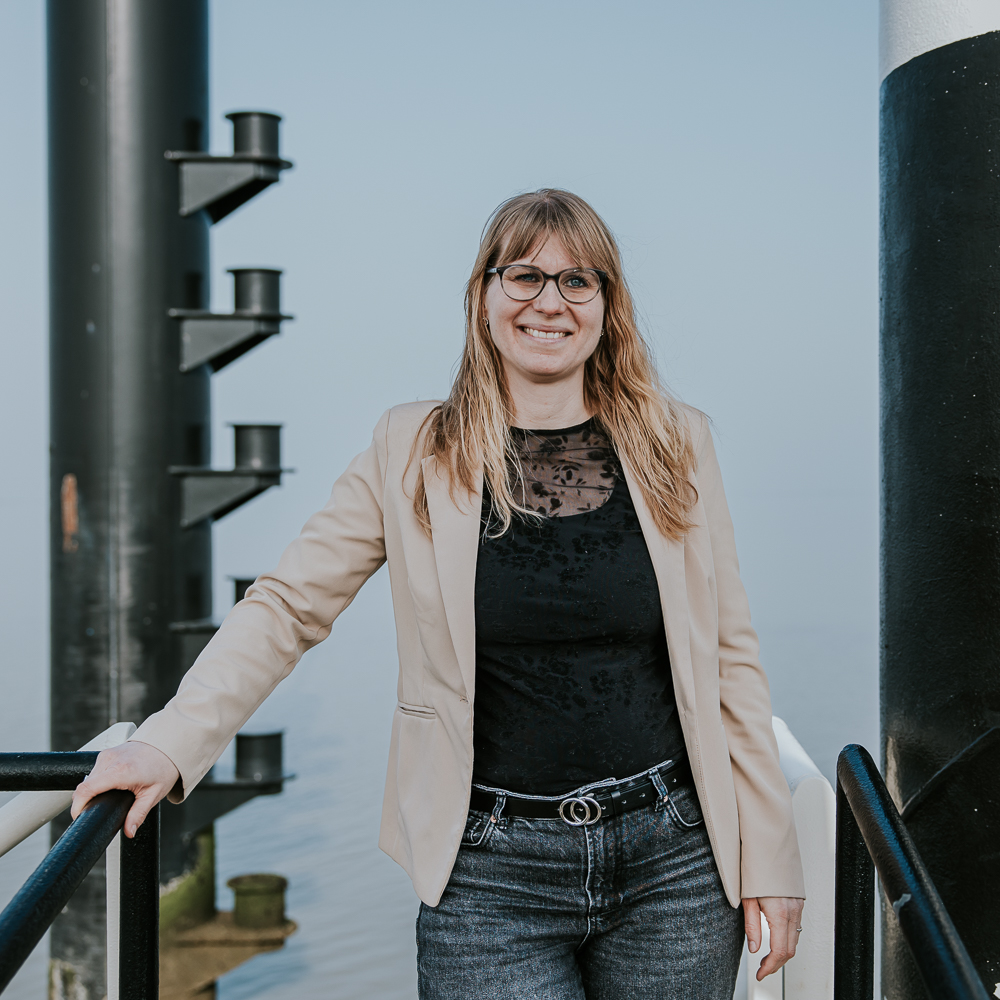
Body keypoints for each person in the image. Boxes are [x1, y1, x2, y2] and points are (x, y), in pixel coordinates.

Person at [73, 188, 805, 998]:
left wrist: (772, 856)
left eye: (577, 281)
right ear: (484, 295)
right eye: (524, 275)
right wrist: (171, 742)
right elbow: (286, 606)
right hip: (489, 874)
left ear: (608, 305)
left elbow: (731, 656)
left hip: (674, 864)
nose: (549, 302)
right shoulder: (411, 449)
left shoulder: (677, 442)